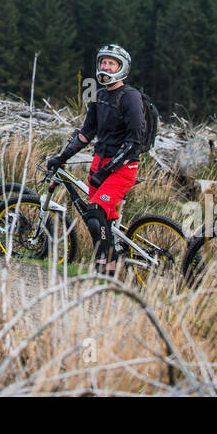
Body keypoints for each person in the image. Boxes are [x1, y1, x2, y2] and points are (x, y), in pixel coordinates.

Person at [45, 44, 145, 275]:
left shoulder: (131, 97)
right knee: (99, 220)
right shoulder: (99, 95)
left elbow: (134, 143)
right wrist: (62, 157)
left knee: (95, 213)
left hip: (122, 167)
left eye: (111, 63)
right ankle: (110, 262)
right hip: (99, 163)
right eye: (103, 62)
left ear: (122, 68)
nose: (105, 67)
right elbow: (86, 132)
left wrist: (107, 169)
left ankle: (105, 267)